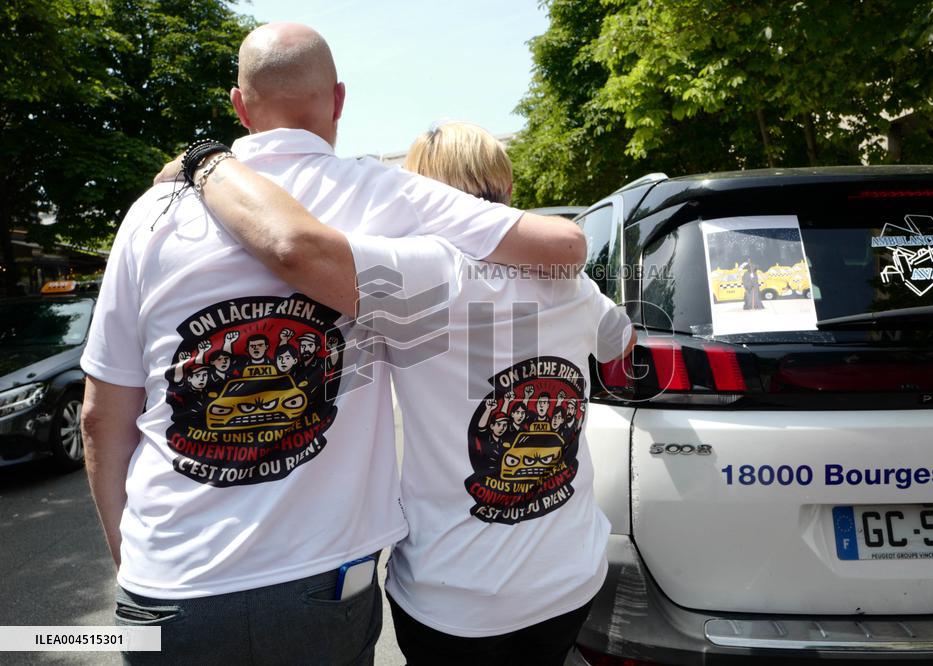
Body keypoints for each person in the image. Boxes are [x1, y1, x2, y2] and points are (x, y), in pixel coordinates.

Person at [81, 23, 585, 665]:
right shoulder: (387, 193)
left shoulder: (151, 215)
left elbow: (102, 415)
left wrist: (136, 561)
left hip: (167, 580)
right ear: (339, 99)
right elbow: (563, 246)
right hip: (322, 579)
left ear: (239, 106)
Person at [183, 120, 636, 666]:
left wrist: (206, 164)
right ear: (505, 185)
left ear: (425, 194)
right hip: (571, 573)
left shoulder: (426, 271)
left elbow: (293, 246)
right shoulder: (574, 283)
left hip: (458, 594)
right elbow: (621, 344)